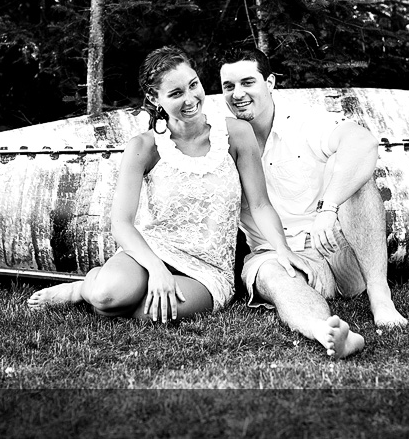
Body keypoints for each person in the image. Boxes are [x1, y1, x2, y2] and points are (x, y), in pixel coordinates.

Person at [28, 47, 359, 356]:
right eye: (175, 94)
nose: (190, 99)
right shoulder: (144, 146)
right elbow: (122, 223)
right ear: (153, 98)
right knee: (108, 296)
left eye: (193, 85)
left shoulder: (235, 134)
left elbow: (259, 205)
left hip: (207, 267)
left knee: (149, 312)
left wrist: (283, 250)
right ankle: (82, 289)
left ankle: (112, 287)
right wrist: (156, 269)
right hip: (151, 251)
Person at [219, 48, 408, 357]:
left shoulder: (304, 122)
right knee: (270, 274)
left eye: (248, 82)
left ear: (270, 83)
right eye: (229, 86)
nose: (237, 93)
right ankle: (326, 331)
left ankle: (381, 299)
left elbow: (363, 142)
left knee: (354, 177)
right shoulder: (223, 141)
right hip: (278, 257)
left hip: (335, 250)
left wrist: (329, 208)